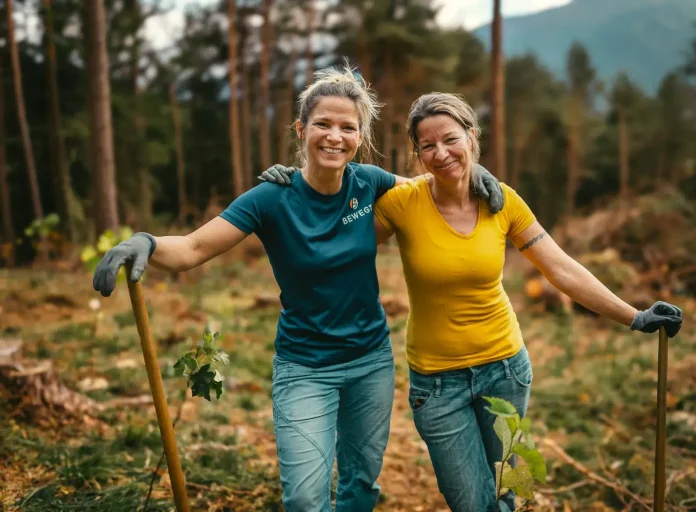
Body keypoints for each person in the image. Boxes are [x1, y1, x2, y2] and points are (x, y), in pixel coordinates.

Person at [91, 67, 505, 512]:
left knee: (360, 485)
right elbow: (193, 247)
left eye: (348, 127)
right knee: (306, 499)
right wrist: (148, 243)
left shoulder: (369, 181)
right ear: (301, 129)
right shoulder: (271, 198)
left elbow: (433, 189)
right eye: (323, 124)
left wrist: (474, 170)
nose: (335, 136)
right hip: (305, 366)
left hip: (370, 363)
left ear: (360, 135)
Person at [265, 92, 683, 512]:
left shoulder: (501, 201)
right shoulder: (403, 204)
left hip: (505, 368)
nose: (440, 153)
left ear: (472, 135)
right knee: (471, 502)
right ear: (418, 154)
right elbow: (338, 236)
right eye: (427, 146)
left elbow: (562, 270)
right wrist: (301, 185)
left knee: (507, 491)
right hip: (437, 384)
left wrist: (634, 316)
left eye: (451, 139)